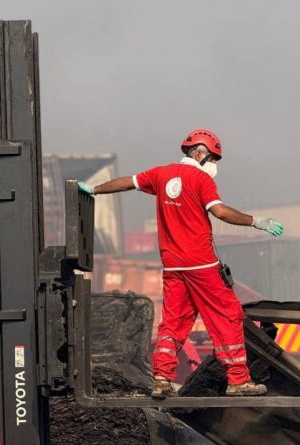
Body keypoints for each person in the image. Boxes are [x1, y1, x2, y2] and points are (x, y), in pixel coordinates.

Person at [78, 129, 284, 398]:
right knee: (227, 317)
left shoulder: (160, 174)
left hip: (173, 266)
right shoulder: (201, 179)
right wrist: (256, 221)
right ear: (199, 154)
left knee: (173, 323)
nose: (214, 165)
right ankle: (238, 380)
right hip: (201, 264)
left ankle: (161, 378)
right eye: (213, 159)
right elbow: (220, 212)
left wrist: (94, 189)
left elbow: (126, 182)